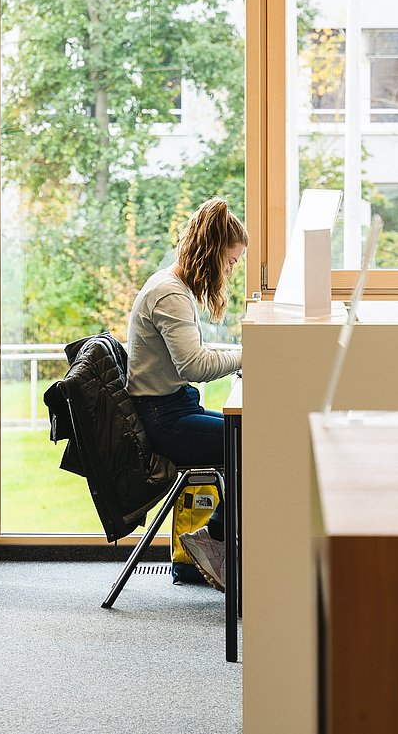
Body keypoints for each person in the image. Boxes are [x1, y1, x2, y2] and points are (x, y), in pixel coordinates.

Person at [125, 198, 247, 590]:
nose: (231, 270)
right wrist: (250, 356)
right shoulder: (170, 294)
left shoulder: (173, 287)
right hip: (163, 418)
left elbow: (196, 354)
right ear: (212, 254)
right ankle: (213, 539)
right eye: (230, 262)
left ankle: (218, 541)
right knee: (250, 442)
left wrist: (240, 358)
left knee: (249, 433)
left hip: (173, 407)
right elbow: (193, 366)